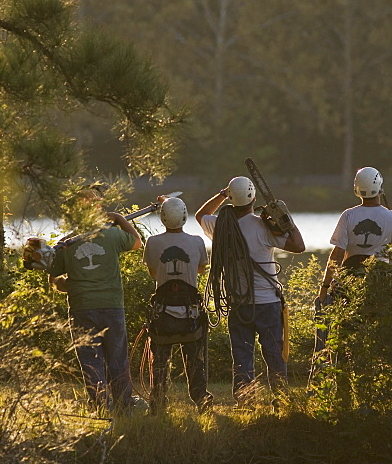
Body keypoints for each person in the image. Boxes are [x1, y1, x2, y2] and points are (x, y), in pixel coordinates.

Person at [196, 176, 305, 404]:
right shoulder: (263, 226)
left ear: (232, 199)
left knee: (242, 356)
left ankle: (246, 402)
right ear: (253, 197)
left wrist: (222, 194)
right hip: (267, 303)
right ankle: (281, 399)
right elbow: (298, 245)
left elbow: (200, 215)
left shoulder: (221, 226)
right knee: (274, 355)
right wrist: (286, 220)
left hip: (239, 303)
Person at [48, 190, 142, 414]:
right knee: (117, 357)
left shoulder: (65, 243)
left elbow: (55, 281)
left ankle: (100, 404)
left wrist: (73, 285)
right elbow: (137, 242)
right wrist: (120, 219)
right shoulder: (112, 235)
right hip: (112, 305)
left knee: (90, 359)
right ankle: (123, 404)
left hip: (81, 307)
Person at [313, 166, 392, 375]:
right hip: (382, 284)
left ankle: (344, 392)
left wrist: (325, 287)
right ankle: (391, 385)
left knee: (346, 337)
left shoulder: (348, 216)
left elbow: (336, 255)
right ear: (380, 188)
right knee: (387, 334)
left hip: (349, 284)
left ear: (357, 189)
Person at [142, 196, 213, 413]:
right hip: (190, 314)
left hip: (162, 314)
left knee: (160, 361)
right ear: (184, 216)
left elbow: (153, 272)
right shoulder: (197, 242)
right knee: (195, 359)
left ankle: (158, 400)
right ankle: (201, 397)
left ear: (162, 218)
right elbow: (201, 269)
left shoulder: (152, 243)